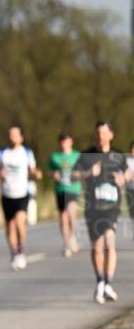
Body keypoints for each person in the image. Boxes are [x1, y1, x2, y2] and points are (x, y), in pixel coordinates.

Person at [75, 120, 126, 304]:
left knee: (109, 240)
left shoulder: (118, 155)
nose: (100, 136)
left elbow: (128, 173)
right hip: (92, 207)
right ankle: (100, 281)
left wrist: (122, 179)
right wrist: (89, 173)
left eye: (104, 133)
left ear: (111, 135)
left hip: (112, 207)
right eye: (98, 133)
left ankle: (109, 282)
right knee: (97, 246)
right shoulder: (87, 155)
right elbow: (74, 174)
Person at [0, 125, 42, 270]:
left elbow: (33, 169)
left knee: (20, 222)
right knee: (10, 226)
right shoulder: (1, 153)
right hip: (7, 194)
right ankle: (14, 252)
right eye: (10, 135)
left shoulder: (27, 152)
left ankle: (22, 251)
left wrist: (37, 173)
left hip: (22, 193)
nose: (12, 137)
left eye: (15, 135)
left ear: (21, 137)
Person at [49, 133, 82, 257]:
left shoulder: (77, 155)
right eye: (62, 141)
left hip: (73, 189)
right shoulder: (55, 157)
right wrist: (54, 175)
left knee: (71, 213)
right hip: (61, 189)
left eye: (66, 141)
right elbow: (50, 171)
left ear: (71, 142)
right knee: (63, 217)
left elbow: (83, 171)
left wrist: (78, 174)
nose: (64, 143)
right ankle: (67, 244)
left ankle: (72, 235)